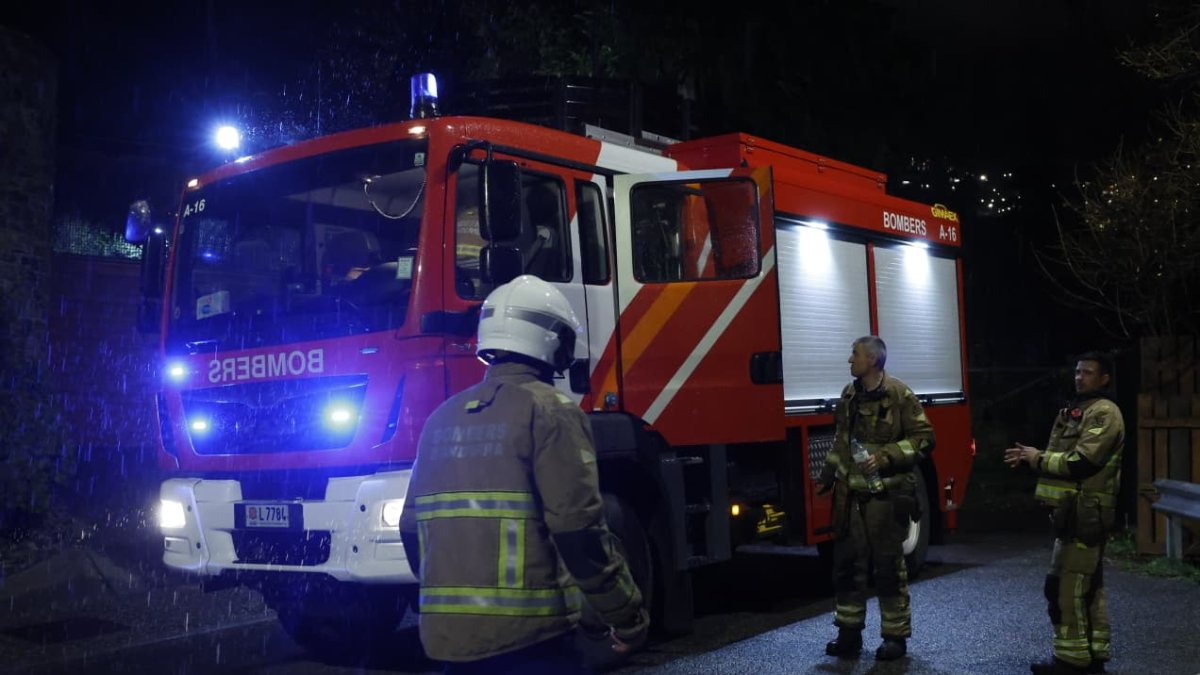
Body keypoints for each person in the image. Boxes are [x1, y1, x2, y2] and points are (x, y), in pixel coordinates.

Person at [398, 275, 649, 674]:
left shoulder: (439, 420)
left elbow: (411, 529)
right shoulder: (551, 412)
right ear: (555, 343)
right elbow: (578, 530)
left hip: (447, 644)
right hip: (533, 643)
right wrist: (626, 615)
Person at [1004, 351, 1125, 675]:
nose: (1079, 377)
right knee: (1086, 588)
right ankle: (1093, 656)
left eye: (1088, 372)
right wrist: (1032, 460)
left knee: (1067, 588)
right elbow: (1064, 460)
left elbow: (1082, 462)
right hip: (1072, 514)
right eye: (1077, 371)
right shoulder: (1079, 410)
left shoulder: (1105, 413)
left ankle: (1071, 661)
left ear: (1104, 379)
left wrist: (1037, 458)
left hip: (1086, 515)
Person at [818, 335, 935, 661]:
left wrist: (884, 458)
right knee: (847, 567)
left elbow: (924, 439)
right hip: (850, 499)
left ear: (872, 360)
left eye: (854, 354)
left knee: (888, 568)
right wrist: (827, 476)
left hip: (886, 498)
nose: (849, 360)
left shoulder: (898, 395)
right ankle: (848, 635)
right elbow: (842, 442)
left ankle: (895, 638)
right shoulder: (849, 394)